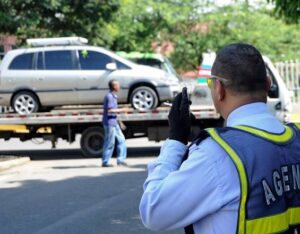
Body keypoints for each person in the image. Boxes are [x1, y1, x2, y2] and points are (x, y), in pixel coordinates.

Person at [139, 43, 300, 233]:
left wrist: (175, 140)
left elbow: (154, 211)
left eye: (210, 84)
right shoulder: (296, 139)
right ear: (267, 83)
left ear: (219, 89)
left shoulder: (217, 155)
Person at [102, 80, 127, 167]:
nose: (119, 86)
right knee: (110, 142)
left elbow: (113, 111)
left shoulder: (114, 96)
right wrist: (122, 110)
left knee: (122, 140)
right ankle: (105, 161)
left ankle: (121, 160)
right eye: (118, 85)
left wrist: (120, 122)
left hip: (114, 122)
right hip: (109, 123)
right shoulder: (109, 96)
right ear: (114, 86)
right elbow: (109, 110)